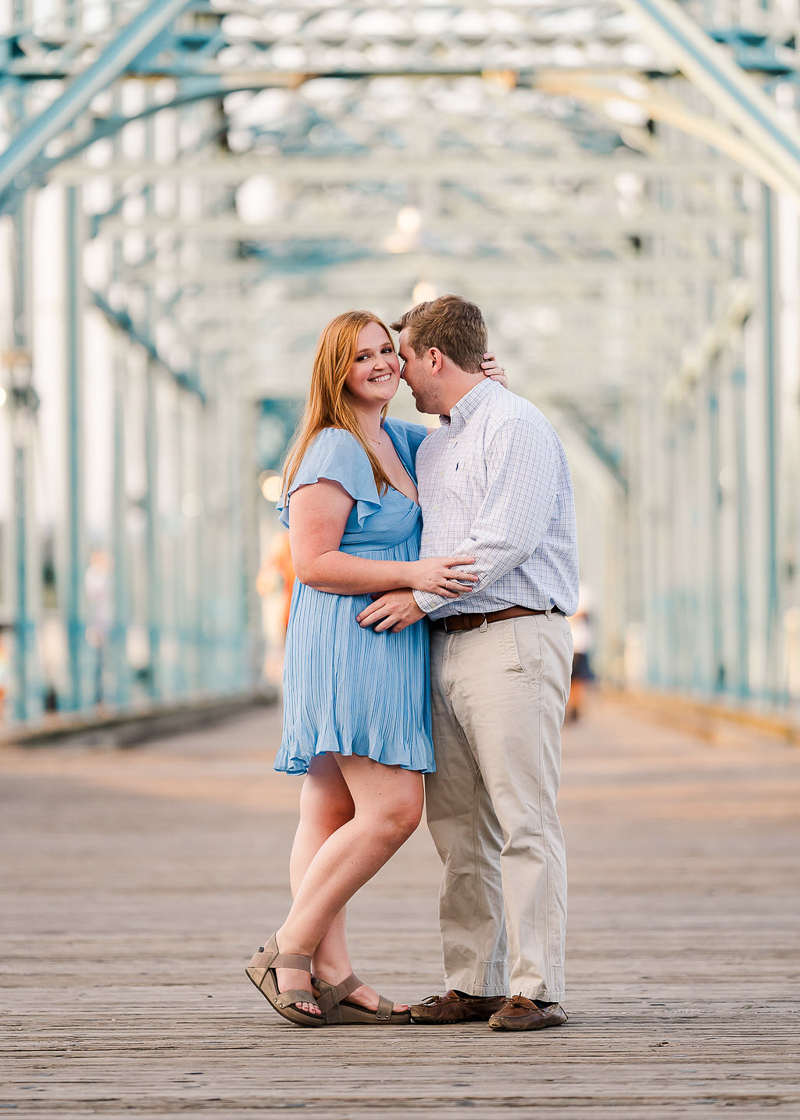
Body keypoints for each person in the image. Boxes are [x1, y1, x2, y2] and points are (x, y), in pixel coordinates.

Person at [245, 309, 503, 1028]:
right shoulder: (334, 447)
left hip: (386, 641)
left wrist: (490, 386)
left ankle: (331, 972)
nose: (382, 363)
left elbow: (466, 437)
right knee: (393, 811)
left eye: (387, 349)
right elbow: (312, 562)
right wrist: (416, 574)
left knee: (330, 811)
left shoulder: (400, 440)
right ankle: (289, 948)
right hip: (349, 641)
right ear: (337, 371)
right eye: (362, 356)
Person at [357, 295, 579, 1032]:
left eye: (402, 356)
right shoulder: (434, 441)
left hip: (512, 638)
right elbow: (359, 431)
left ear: (433, 358)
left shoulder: (516, 424)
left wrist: (417, 598)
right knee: (457, 825)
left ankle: (537, 986)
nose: (395, 371)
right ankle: (473, 981)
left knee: (523, 817)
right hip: (445, 645)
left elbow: (506, 538)